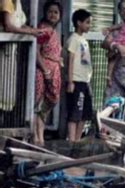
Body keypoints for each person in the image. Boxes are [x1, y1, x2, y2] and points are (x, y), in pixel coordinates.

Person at [33, 1, 62, 146]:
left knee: (49, 101)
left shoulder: (54, 31)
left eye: (56, 12)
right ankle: (37, 137)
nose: (53, 15)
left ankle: (40, 135)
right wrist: (44, 69)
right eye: (50, 11)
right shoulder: (43, 29)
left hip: (53, 70)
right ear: (45, 13)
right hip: (43, 69)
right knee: (38, 102)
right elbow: (37, 51)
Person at [65, 9, 93, 142]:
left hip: (85, 80)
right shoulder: (73, 39)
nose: (89, 25)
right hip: (76, 80)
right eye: (87, 23)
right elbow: (70, 60)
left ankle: (77, 139)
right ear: (78, 23)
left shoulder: (83, 40)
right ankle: (72, 140)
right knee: (75, 112)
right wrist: (70, 81)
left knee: (84, 113)